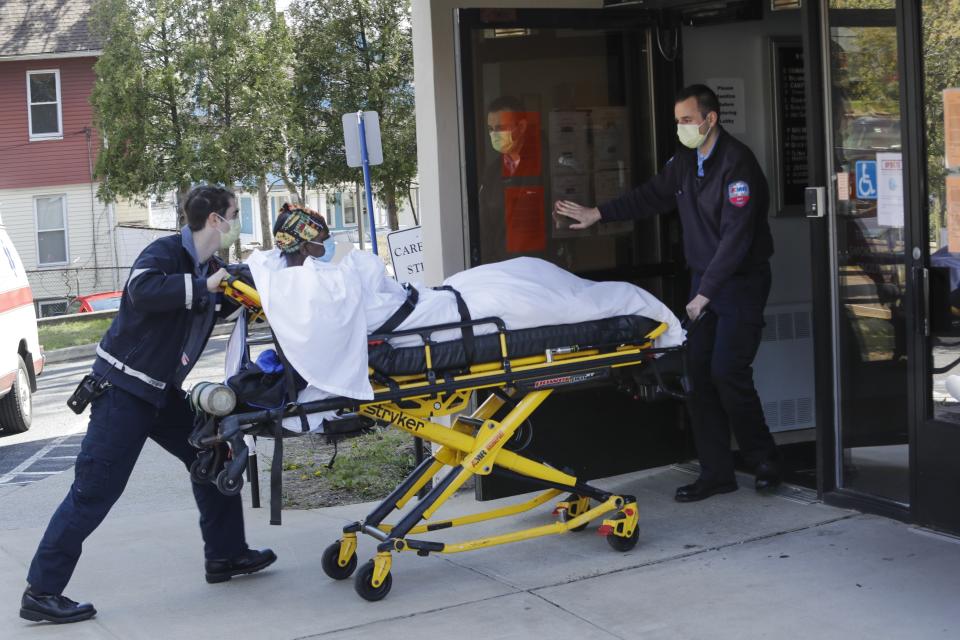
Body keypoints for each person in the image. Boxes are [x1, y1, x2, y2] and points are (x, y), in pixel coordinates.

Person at [20, 186, 277, 625]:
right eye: (235, 214)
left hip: (160, 394)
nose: (237, 222)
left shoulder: (210, 268)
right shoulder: (163, 254)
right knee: (95, 489)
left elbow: (222, 301)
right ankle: (41, 591)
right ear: (215, 219)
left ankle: (227, 555)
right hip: (122, 391)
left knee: (213, 454)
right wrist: (203, 286)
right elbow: (142, 292)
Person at [553, 84, 780, 503]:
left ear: (711, 119)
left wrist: (704, 294)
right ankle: (716, 472)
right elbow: (649, 197)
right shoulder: (684, 162)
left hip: (738, 285)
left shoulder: (737, 165)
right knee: (696, 373)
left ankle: (763, 459)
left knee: (728, 372)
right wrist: (597, 214)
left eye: (688, 120)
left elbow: (736, 238)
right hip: (705, 283)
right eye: (678, 121)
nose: (682, 127)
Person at [478, 96, 544, 262]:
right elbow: (486, 229)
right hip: (504, 268)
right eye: (491, 129)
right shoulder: (492, 173)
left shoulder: (546, 163)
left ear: (521, 126)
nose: (494, 134)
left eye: (500, 128)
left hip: (543, 267)